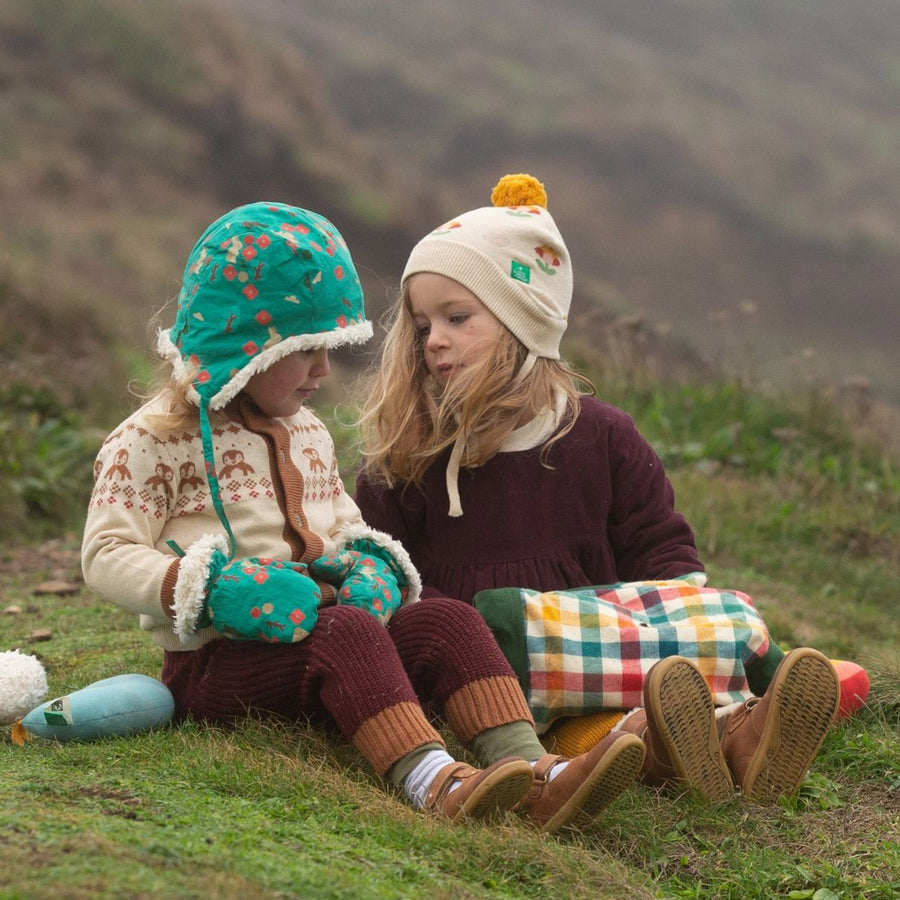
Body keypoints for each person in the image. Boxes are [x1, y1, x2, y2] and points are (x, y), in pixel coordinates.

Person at [81, 200, 647, 832]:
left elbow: (343, 525)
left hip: (323, 648)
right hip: (221, 664)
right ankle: (438, 782)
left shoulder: (307, 433)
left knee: (443, 619)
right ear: (249, 347)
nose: (325, 370)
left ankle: (536, 773)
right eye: (308, 350)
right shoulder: (152, 441)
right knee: (347, 634)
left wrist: (368, 563)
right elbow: (105, 555)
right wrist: (212, 590)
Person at [354, 174, 841, 804]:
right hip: (491, 674)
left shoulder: (603, 436)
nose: (434, 340)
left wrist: (689, 618)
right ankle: (700, 734)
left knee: (702, 627)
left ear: (521, 320)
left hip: (610, 658)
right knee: (550, 677)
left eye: (457, 317)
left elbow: (662, 549)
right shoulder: (409, 453)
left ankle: (736, 738)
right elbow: (383, 573)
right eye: (422, 326)